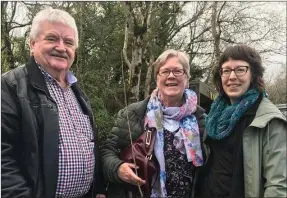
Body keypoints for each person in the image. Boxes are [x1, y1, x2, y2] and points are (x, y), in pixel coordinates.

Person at [1, 7, 105, 198]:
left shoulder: (77, 92)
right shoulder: (9, 87)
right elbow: (3, 160)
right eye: (51, 38)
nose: (61, 47)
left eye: (68, 42)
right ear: (32, 44)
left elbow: (91, 146)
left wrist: (97, 189)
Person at [100, 49, 207, 198]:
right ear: (157, 78)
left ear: (187, 78)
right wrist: (117, 168)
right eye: (165, 71)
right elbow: (107, 151)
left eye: (177, 71)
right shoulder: (134, 114)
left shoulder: (201, 119)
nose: (171, 76)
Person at [196, 44, 287, 197]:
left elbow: (278, 185)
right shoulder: (214, 116)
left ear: (253, 74)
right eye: (226, 70)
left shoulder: (268, 120)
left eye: (240, 69)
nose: (232, 77)